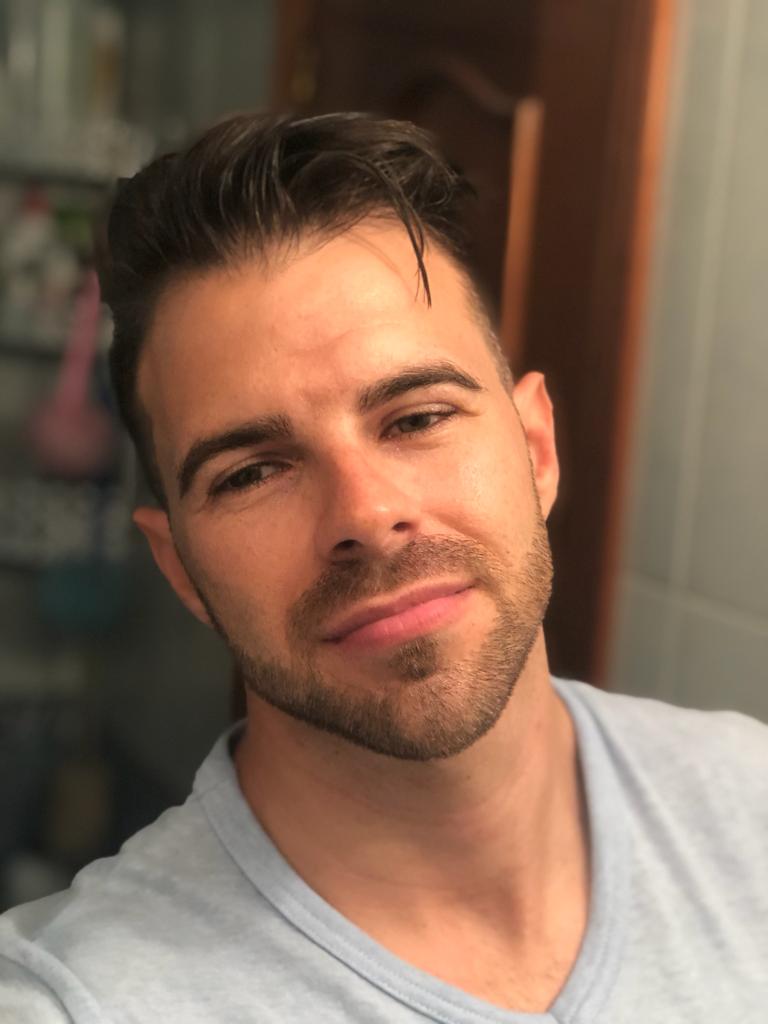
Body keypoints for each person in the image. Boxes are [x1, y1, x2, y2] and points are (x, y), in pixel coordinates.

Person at [1, 112, 766, 1023]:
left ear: (536, 449)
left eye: (418, 417)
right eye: (251, 473)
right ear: (180, 569)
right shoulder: (75, 1000)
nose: (365, 515)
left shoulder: (750, 802)